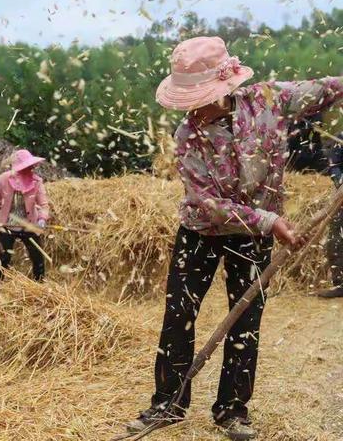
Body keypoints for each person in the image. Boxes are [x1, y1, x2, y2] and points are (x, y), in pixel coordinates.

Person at [126, 37, 343, 440]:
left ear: (225, 88)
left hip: (253, 237)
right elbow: (207, 203)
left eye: (200, 96)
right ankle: (167, 404)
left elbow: (326, 88)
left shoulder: (269, 100)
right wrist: (270, 221)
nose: (194, 106)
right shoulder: (187, 135)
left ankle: (231, 411)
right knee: (178, 316)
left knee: (246, 320)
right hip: (201, 232)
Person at [0, 149, 49, 282]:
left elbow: (43, 205)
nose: (30, 169)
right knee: (4, 257)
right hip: (7, 224)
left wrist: (42, 219)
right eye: (26, 166)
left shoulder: (37, 181)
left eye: (31, 166)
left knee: (37, 257)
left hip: (29, 225)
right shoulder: (4, 179)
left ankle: (39, 284)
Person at [318, 130, 343, 298]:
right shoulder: (341, 136)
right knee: (335, 240)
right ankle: (340, 284)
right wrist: (341, 182)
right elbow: (334, 166)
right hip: (342, 197)